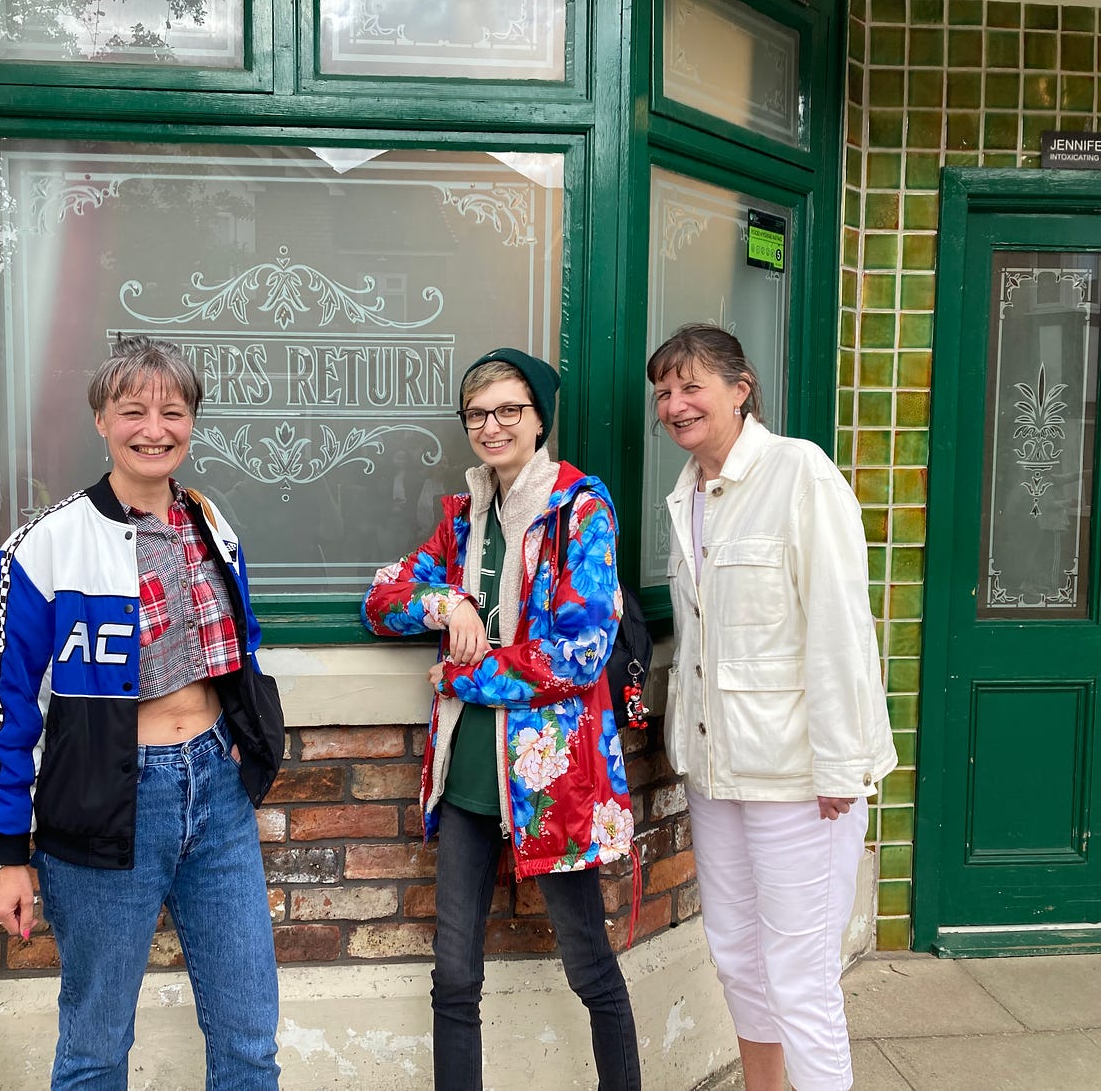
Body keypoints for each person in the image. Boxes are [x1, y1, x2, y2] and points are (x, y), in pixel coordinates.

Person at [0, 335, 285, 1090]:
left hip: (215, 793)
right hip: (109, 803)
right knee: (95, 1045)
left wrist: (245, 744)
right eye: (133, 410)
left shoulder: (212, 524)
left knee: (250, 1037)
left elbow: (242, 648)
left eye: (173, 411)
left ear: (192, 423)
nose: (155, 427)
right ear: (101, 421)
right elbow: (9, 707)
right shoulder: (44, 546)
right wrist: (9, 855)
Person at [363, 348, 643, 1090]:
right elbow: (381, 599)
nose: (491, 427)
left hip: (550, 783)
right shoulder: (463, 517)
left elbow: (580, 653)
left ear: (540, 416)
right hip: (466, 781)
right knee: (454, 976)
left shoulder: (581, 508)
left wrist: (466, 671)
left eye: (508, 410)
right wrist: (446, 602)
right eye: (477, 414)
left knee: (589, 967)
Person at [648, 324, 897, 1091]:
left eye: (692, 386)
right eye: (664, 393)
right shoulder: (687, 494)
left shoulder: (800, 474)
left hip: (800, 776)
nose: (675, 405)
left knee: (801, 972)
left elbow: (839, 630)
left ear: (740, 389)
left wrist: (841, 766)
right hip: (718, 771)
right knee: (736, 952)